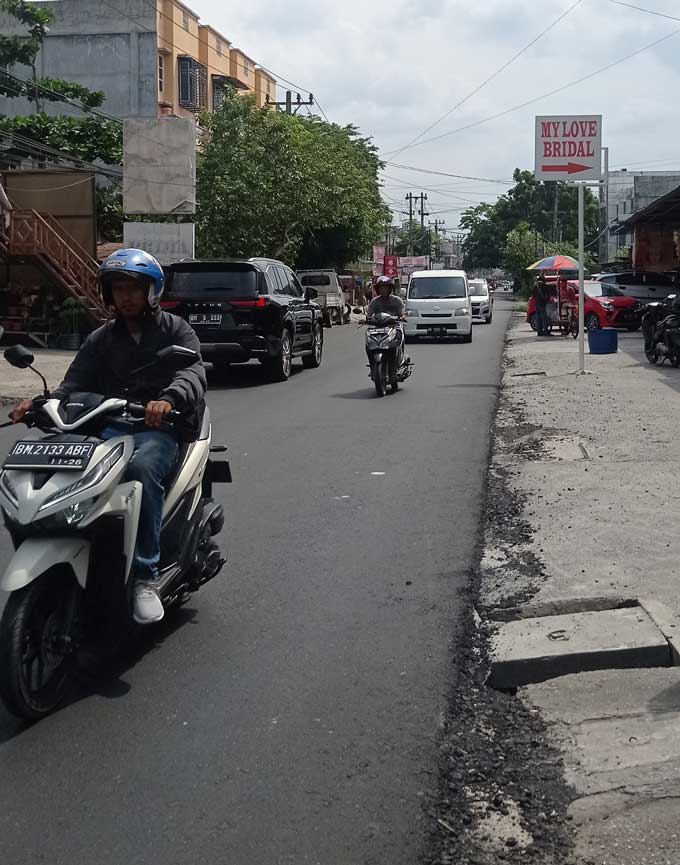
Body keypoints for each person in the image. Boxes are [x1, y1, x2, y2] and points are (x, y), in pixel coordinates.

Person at [11, 248, 207, 625]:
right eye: (118, 289)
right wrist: (39, 403)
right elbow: (73, 383)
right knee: (57, 463)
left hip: (157, 429)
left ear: (152, 291)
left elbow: (192, 371)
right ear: (108, 294)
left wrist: (167, 399)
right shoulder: (100, 338)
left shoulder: (176, 330)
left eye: (134, 288)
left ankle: (145, 577)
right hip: (108, 425)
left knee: (142, 469)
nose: (126, 296)